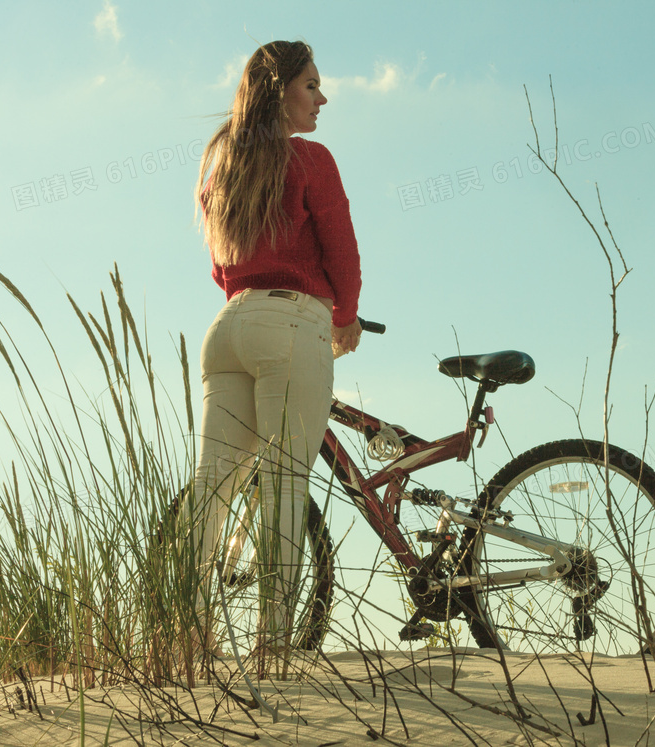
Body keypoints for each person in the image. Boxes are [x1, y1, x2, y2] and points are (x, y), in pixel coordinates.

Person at [186, 40, 361, 659]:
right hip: (290, 323)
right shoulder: (310, 160)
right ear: (279, 89)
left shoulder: (221, 171)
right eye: (311, 85)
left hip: (228, 327)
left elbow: (221, 267)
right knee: (287, 482)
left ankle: (184, 634)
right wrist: (345, 317)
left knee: (212, 488)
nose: (321, 96)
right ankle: (275, 646)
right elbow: (341, 252)